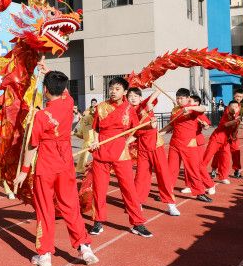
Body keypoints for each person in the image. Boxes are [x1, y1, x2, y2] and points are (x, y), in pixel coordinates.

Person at [14, 69, 98, 266]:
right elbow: (65, 91)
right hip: (65, 165)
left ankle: (44, 255)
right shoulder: (68, 104)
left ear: (45, 90)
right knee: (70, 206)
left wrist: (23, 171)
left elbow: (32, 146)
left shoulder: (41, 116)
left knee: (45, 209)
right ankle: (84, 247)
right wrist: (47, 73)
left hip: (46, 166)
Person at [89, 77, 152, 238]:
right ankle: (98, 221)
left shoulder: (128, 109)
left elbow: (136, 131)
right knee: (99, 189)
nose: (113, 91)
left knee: (128, 188)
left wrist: (125, 142)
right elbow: (95, 128)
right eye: (111, 88)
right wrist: (95, 141)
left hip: (121, 152)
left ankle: (138, 223)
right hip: (101, 150)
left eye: (117, 89)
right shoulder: (101, 107)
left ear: (124, 92)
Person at [126, 87, 181, 216]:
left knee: (163, 174)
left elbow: (158, 91)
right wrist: (125, 143)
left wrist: (149, 103)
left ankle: (170, 204)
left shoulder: (145, 105)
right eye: (130, 96)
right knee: (141, 176)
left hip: (155, 145)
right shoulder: (127, 113)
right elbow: (135, 134)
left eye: (135, 95)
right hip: (142, 147)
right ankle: (137, 202)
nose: (133, 98)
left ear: (140, 98)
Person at [161, 88, 212, 203]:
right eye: (177, 98)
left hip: (189, 144)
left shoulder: (192, 109)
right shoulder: (175, 110)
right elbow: (171, 126)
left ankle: (200, 192)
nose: (179, 100)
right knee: (171, 170)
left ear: (188, 98)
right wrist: (159, 134)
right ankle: (167, 192)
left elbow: (203, 108)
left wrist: (189, 107)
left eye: (181, 98)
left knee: (193, 169)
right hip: (174, 143)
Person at [203, 101, 243, 184]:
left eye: (236, 107)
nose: (234, 108)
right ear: (228, 107)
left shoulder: (237, 115)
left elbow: (238, 121)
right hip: (216, 139)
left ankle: (223, 177)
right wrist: (236, 121)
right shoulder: (226, 114)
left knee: (225, 158)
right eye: (232, 106)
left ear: (239, 108)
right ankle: (198, 173)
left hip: (226, 141)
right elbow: (225, 124)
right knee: (207, 156)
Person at [74, 98, 99, 174]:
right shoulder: (87, 113)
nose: (94, 104)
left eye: (95, 103)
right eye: (92, 103)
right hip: (89, 138)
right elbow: (81, 125)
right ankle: (80, 168)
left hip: (97, 139)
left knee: (100, 156)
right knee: (84, 153)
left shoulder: (99, 112)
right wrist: (76, 133)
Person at [229, 89, 243, 178]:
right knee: (219, 153)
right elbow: (232, 116)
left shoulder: (242, 107)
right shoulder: (230, 105)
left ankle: (237, 170)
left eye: (240, 97)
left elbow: (239, 120)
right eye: (237, 96)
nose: (238, 98)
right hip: (224, 133)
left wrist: (241, 121)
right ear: (234, 96)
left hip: (234, 134)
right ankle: (213, 170)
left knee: (236, 152)